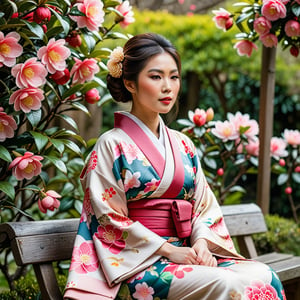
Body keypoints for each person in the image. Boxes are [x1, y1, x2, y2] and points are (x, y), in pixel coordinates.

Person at [64, 33, 285, 300]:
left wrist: (202, 243)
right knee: (227, 284)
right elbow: (108, 217)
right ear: (130, 83)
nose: (167, 86)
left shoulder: (183, 144)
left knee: (264, 275)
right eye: (156, 77)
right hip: (141, 265)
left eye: (174, 76)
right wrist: (168, 250)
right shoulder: (110, 145)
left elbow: (204, 205)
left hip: (188, 253)